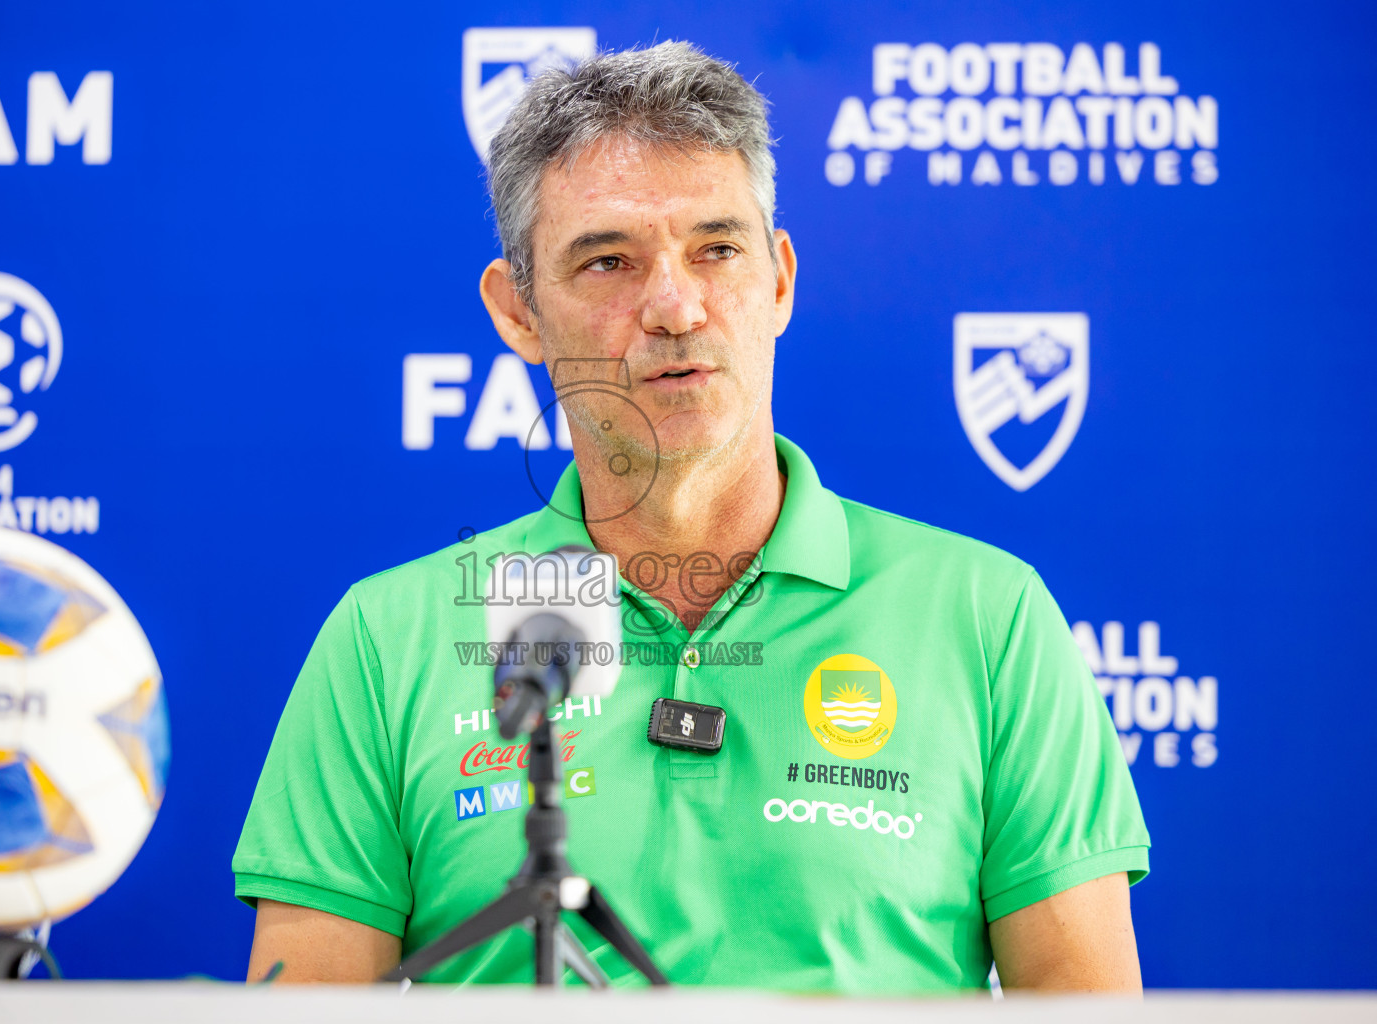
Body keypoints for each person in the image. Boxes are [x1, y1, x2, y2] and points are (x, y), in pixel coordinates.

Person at [233, 41, 1149, 993]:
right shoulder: (387, 641)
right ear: (519, 313)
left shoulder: (986, 620)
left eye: (717, 249)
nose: (674, 306)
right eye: (608, 262)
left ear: (780, 280)